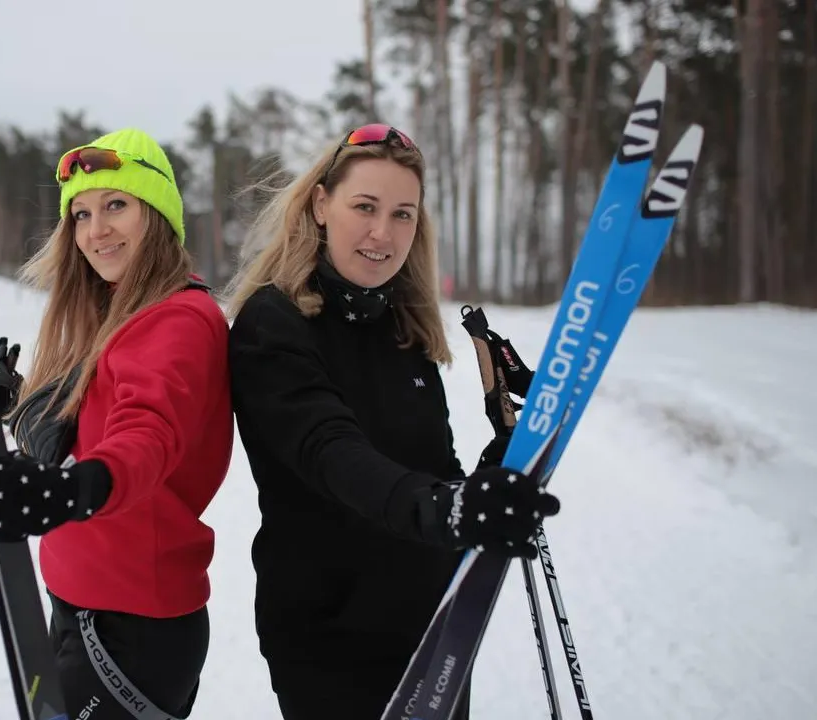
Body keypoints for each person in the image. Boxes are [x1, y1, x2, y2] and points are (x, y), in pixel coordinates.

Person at [222, 123, 562, 720]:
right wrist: (447, 508)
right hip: (331, 642)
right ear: (322, 205)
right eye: (365, 207)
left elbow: (431, 471)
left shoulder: (402, 328)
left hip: (431, 632)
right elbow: (332, 454)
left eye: (403, 214)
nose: (383, 232)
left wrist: (498, 466)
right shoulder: (272, 323)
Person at [0, 128, 234, 720]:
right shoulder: (113, 314)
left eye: (115, 206)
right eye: (80, 214)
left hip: (131, 629)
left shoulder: (178, 318)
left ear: (156, 214)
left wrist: (66, 492)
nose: (95, 230)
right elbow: (94, 432)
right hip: (82, 605)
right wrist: (20, 404)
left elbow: (146, 435)